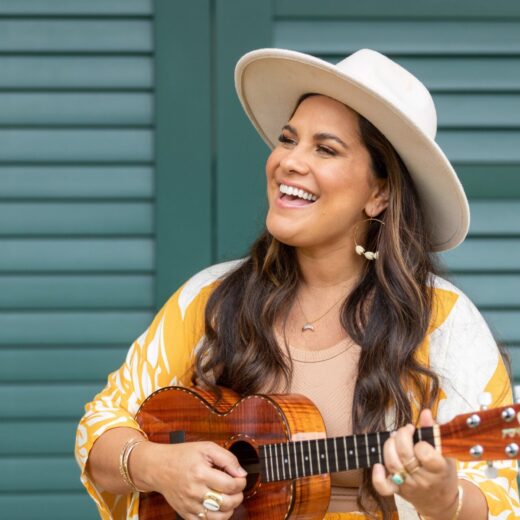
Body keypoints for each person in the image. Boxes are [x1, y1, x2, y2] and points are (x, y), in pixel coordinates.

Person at [75, 48, 520, 520]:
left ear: (379, 193)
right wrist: (157, 465)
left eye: (325, 149)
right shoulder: (211, 299)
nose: (289, 161)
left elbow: (498, 497)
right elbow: (100, 427)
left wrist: (443, 500)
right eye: (288, 140)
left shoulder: (443, 322)